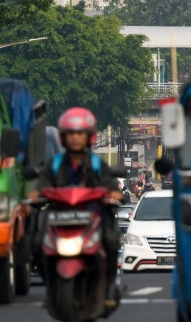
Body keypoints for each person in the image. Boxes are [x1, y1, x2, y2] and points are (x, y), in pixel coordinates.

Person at [30, 108, 123, 306]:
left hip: (93, 216)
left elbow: (109, 182)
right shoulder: (54, 164)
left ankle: (108, 290)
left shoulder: (97, 163)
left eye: (79, 133)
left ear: (89, 136)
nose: (75, 138)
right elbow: (43, 183)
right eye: (71, 133)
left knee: (112, 240)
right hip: (58, 216)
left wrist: (114, 193)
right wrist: (36, 194)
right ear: (63, 137)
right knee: (37, 243)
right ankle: (50, 289)